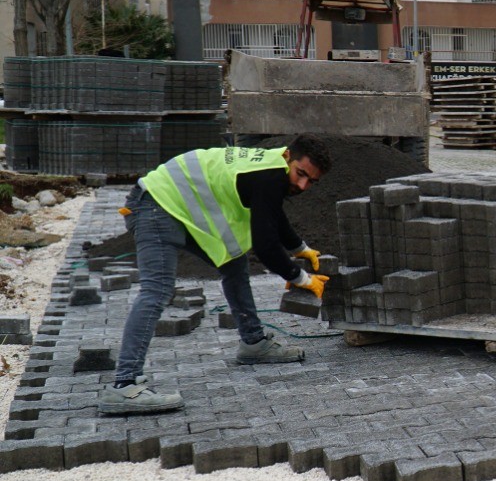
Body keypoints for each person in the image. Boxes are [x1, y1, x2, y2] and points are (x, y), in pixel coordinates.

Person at [98, 136, 334, 416]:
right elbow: (265, 245)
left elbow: (272, 214)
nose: (303, 185)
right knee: (157, 290)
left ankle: (253, 343)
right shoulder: (270, 176)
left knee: (234, 262)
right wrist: (301, 279)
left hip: (175, 207)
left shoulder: (273, 167)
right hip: (155, 206)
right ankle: (125, 384)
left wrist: (300, 249)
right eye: (301, 174)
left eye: (312, 181)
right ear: (288, 157)